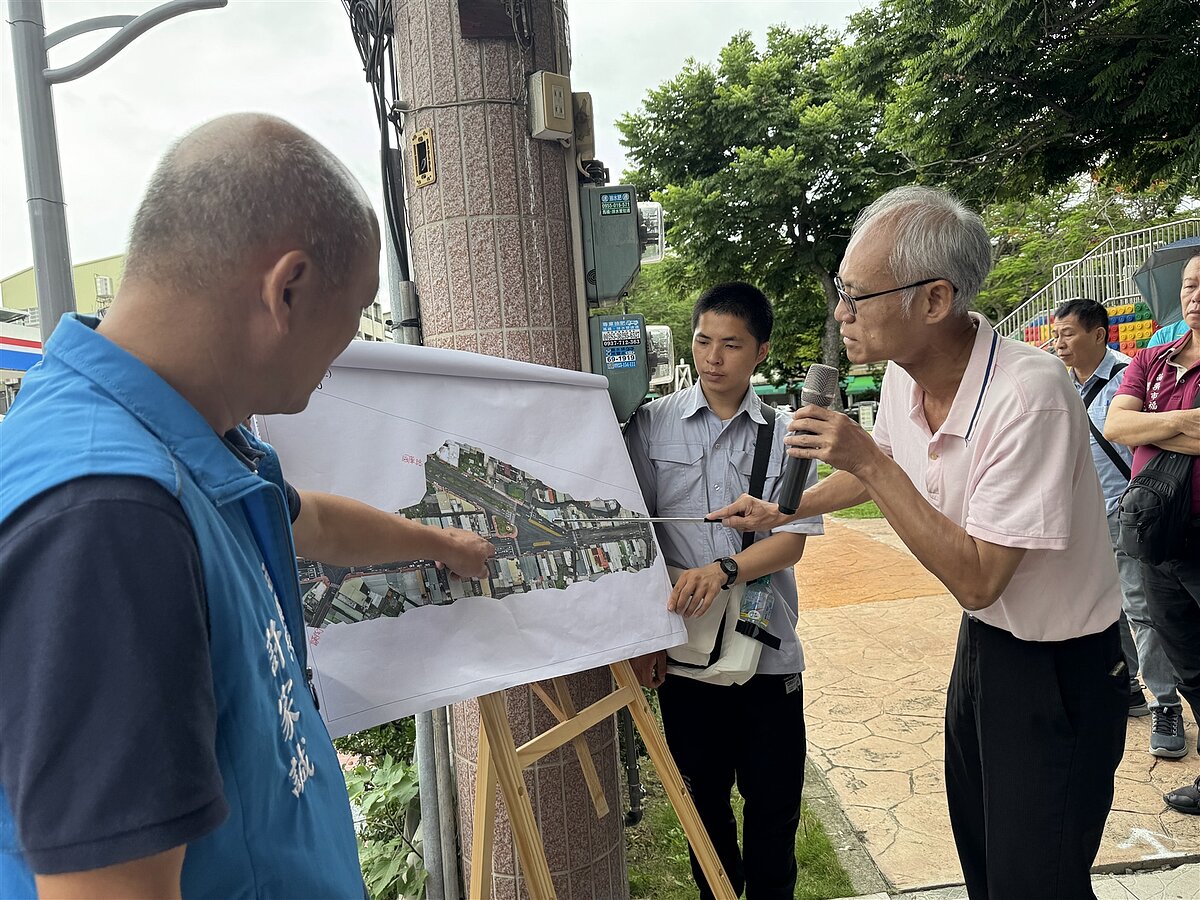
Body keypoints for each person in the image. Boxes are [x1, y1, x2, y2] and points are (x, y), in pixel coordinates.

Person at [0, 114, 495, 898]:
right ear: (288, 288)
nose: (349, 347)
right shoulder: (109, 517)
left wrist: (437, 544)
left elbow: (315, 524)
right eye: (358, 306)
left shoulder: (184, 442)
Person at [711, 187, 1126, 899]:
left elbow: (977, 577)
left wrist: (866, 458)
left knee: (1040, 881)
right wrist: (786, 509)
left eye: (856, 295)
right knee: (987, 863)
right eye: (841, 291)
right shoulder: (908, 379)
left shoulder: (1028, 394)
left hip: (1063, 667)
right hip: (987, 649)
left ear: (934, 300)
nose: (840, 313)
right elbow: (887, 472)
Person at [625, 282, 823, 900]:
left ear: (760, 351)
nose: (713, 358)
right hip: (686, 654)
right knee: (701, 805)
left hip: (768, 654)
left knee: (773, 812)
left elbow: (789, 541)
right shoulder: (652, 426)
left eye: (732, 345)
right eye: (704, 341)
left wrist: (725, 571)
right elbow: (638, 534)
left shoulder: (791, 434)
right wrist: (648, 637)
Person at [1053, 297, 1185, 757]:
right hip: (1078, 518)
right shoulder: (1057, 384)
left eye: (1069, 333)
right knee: (1104, 605)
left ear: (1098, 334)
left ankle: (1165, 705)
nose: (1060, 342)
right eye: (1057, 333)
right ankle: (1127, 684)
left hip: (1129, 511)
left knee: (1142, 609)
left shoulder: (1132, 376)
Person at [1105, 248, 1200, 815]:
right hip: (1158, 541)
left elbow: (1136, 428)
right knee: (1188, 662)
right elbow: (1118, 425)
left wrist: (1152, 428)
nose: (1195, 295)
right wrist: (1185, 424)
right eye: (1189, 285)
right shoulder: (1154, 360)